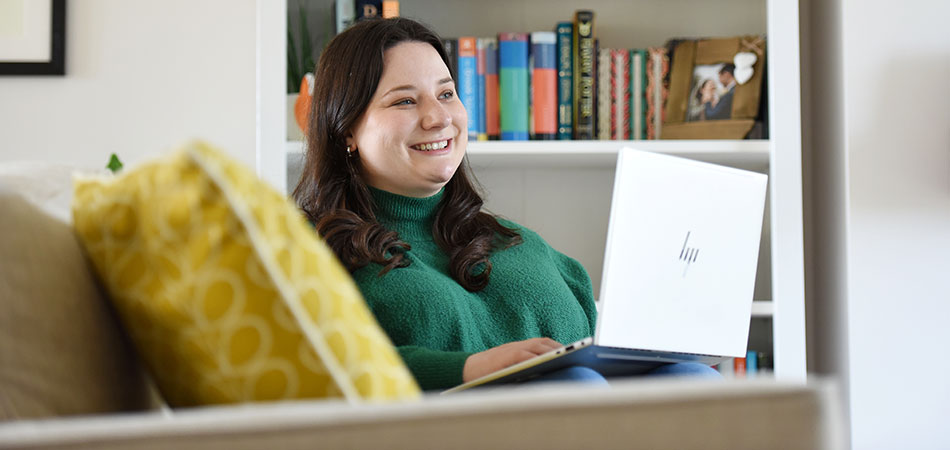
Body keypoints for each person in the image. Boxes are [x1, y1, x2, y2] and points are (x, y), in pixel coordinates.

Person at [294, 17, 719, 391]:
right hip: (445, 427)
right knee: (574, 385)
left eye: (447, 94)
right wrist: (467, 368)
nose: (438, 117)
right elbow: (317, 367)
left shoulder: (519, 244)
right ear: (345, 128)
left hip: (586, 415)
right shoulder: (312, 252)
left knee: (692, 378)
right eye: (405, 101)